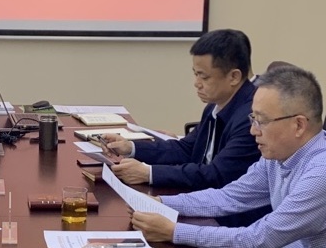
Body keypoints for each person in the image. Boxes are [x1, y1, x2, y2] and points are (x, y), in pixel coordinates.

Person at [130, 65, 326, 248]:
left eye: (261, 121)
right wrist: (161, 203)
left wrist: (173, 231)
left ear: (298, 125)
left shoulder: (325, 173)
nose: (253, 131)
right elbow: (228, 198)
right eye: (253, 118)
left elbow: (256, 240)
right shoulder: (280, 153)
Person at [99, 29, 260, 193]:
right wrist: (131, 148)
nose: (196, 83)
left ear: (234, 77)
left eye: (204, 77)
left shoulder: (251, 117)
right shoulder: (215, 105)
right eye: (195, 74)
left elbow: (217, 175)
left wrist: (149, 173)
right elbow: (186, 149)